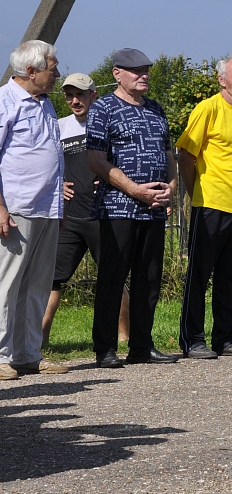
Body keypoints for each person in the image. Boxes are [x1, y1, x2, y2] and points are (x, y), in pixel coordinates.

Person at [87, 47, 180, 367]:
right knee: (113, 278)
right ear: (117, 73)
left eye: (146, 70)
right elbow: (97, 160)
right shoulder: (103, 109)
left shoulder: (155, 108)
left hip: (153, 209)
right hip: (118, 208)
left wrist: (171, 187)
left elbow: (168, 155)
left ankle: (142, 345)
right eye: (136, 70)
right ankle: (106, 348)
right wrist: (135, 190)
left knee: (149, 278)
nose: (144, 75)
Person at [176, 57, 232, 360]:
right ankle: (192, 339)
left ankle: (225, 338)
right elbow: (185, 155)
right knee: (199, 275)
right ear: (222, 80)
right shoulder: (207, 109)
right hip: (209, 203)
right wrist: (193, 192)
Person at [41, 73, 130, 346]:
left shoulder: (107, 124)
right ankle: (40, 340)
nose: (75, 100)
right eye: (69, 95)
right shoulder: (59, 126)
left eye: (80, 94)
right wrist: (59, 186)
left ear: (93, 95)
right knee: (52, 279)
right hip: (71, 216)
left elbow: (124, 162)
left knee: (113, 276)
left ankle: (125, 337)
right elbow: (48, 164)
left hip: (103, 214)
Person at [0, 40, 68, 380]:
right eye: (52, 69)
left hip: (46, 207)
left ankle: (27, 353)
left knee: (37, 284)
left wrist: (58, 201)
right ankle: (0, 355)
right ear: (31, 71)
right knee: (6, 284)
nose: (57, 75)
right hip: (16, 208)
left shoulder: (44, 104)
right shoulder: (4, 102)